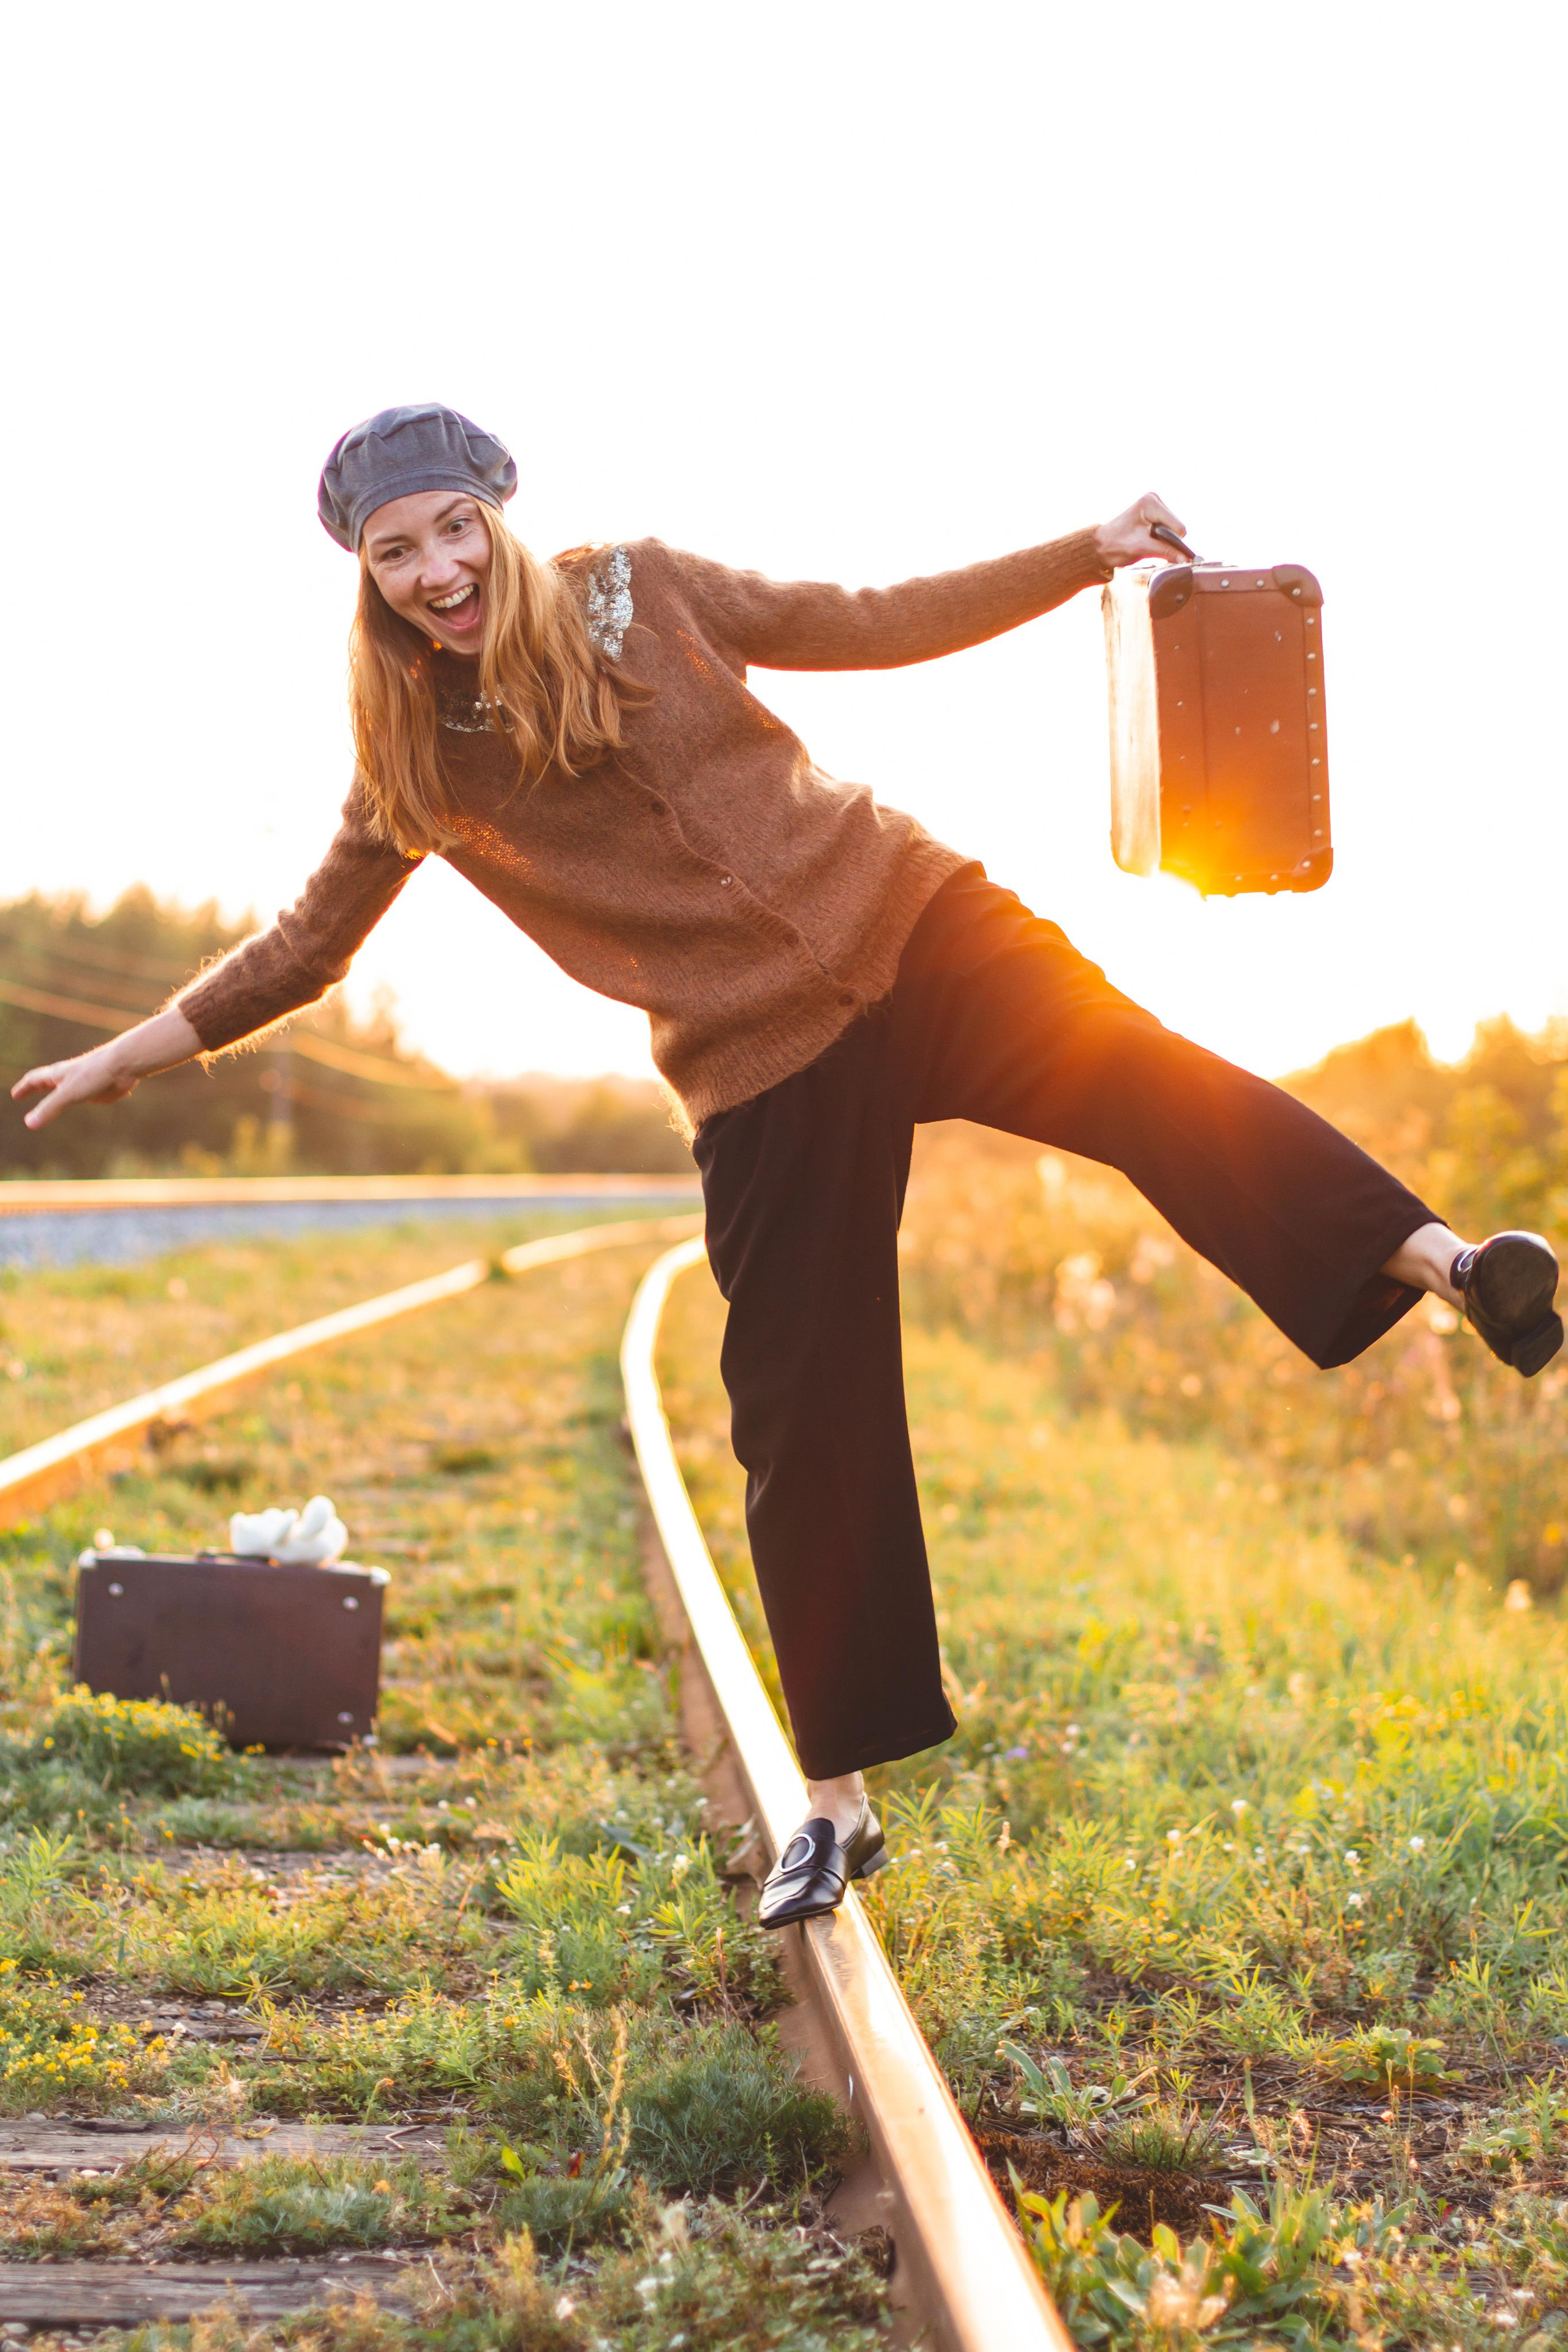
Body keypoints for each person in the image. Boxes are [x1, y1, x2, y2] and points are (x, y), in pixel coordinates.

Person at [15, 404, 1561, 1929]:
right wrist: (125, 1056)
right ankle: (834, 1804)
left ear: (498, 515)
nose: (435, 571)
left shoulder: (648, 589)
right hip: (756, 1062)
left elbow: (868, 619)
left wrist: (1079, 552)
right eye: (394, 553)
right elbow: (303, 948)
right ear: (368, 578)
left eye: (452, 529)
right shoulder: (417, 756)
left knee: (1144, 1076)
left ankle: (1448, 1263)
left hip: (908, 920)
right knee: (801, 1408)